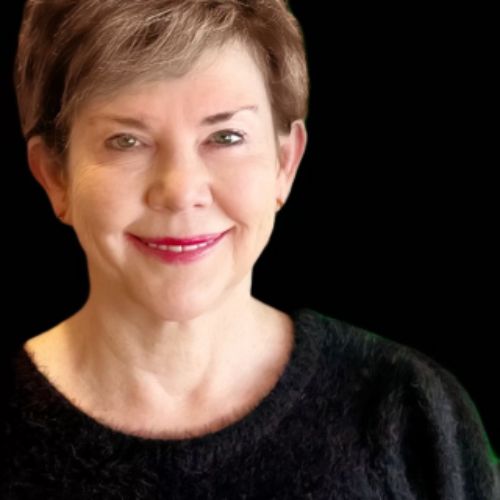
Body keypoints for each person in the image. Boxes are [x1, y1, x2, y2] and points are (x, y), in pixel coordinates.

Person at [2, 1, 499, 498]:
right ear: (55, 176)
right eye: (126, 141)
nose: (180, 190)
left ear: (285, 164)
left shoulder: (408, 410)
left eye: (226, 136)